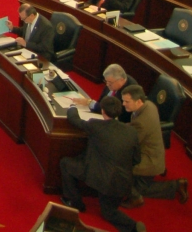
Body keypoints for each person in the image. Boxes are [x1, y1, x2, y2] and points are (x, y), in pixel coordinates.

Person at [60, 96, 145, 232]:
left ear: (103, 111)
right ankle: (135, 228)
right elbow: (136, 159)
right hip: (122, 181)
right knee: (109, 211)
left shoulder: (96, 125)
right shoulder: (131, 131)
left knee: (65, 163)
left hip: (101, 178)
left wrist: (72, 107)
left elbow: (74, 119)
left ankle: (75, 203)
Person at [120, 86, 188, 209]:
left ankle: (177, 186)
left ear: (138, 101)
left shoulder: (142, 122)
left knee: (136, 186)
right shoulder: (149, 105)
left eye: (126, 101)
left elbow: (129, 143)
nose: (123, 104)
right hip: (151, 152)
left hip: (148, 160)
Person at [72, 64, 138, 123]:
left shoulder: (130, 92)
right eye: (106, 81)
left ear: (121, 80)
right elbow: (101, 101)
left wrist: (89, 102)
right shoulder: (112, 82)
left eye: (110, 82)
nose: (107, 84)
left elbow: (112, 112)